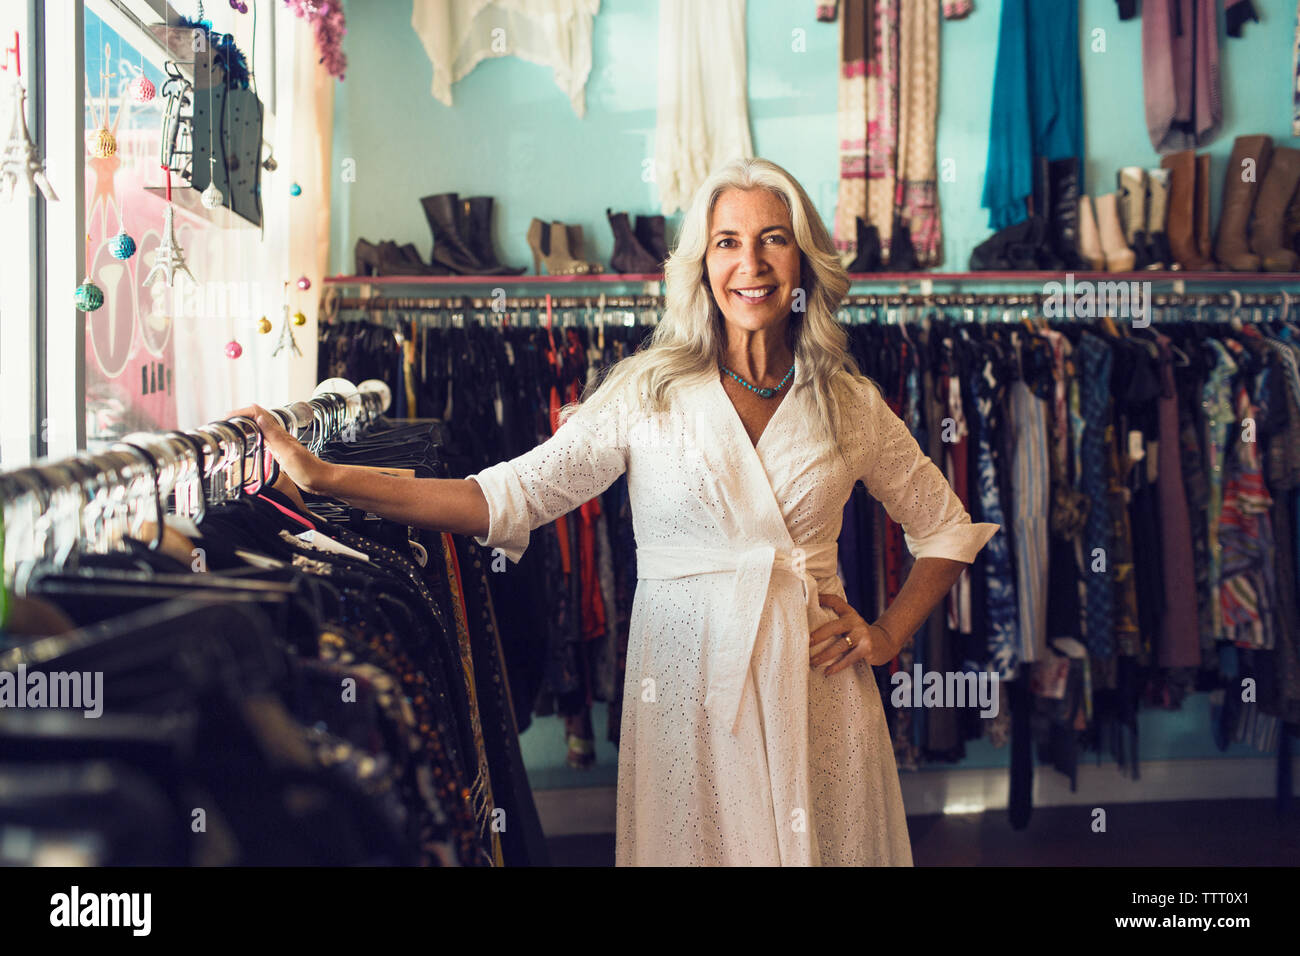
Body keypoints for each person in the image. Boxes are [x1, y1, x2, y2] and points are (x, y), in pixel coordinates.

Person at [234, 156, 999, 866]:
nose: (751, 264)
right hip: (686, 688)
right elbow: (502, 496)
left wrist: (888, 634)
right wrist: (328, 476)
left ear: (804, 260)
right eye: (727, 241)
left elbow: (946, 526)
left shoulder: (849, 403)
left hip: (816, 689)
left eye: (774, 240)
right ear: (701, 265)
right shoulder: (646, 392)